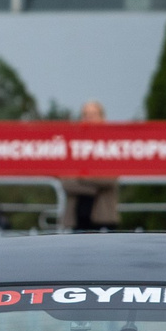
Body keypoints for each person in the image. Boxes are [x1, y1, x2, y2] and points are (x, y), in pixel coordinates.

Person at [62, 98, 122, 231]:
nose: (88, 119)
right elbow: (66, 182)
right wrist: (95, 186)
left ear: (102, 118)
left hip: (104, 221)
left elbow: (110, 179)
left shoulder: (111, 146)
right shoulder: (72, 146)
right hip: (76, 222)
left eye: (93, 115)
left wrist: (81, 175)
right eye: (85, 115)